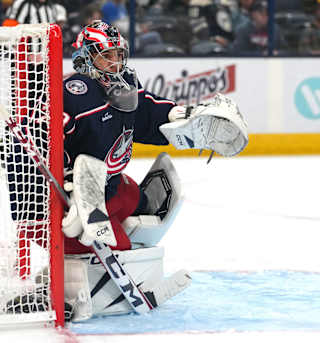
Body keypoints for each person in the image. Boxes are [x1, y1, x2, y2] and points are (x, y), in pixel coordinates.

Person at [58, 20, 248, 320]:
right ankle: (74, 289)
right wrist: (60, 189)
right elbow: (42, 145)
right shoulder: (73, 94)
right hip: (77, 202)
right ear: (85, 58)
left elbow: (147, 112)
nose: (115, 62)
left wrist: (183, 114)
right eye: (105, 56)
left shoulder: (124, 87)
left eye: (119, 55)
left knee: (148, 203)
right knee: (115, 247)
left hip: (113, 185)